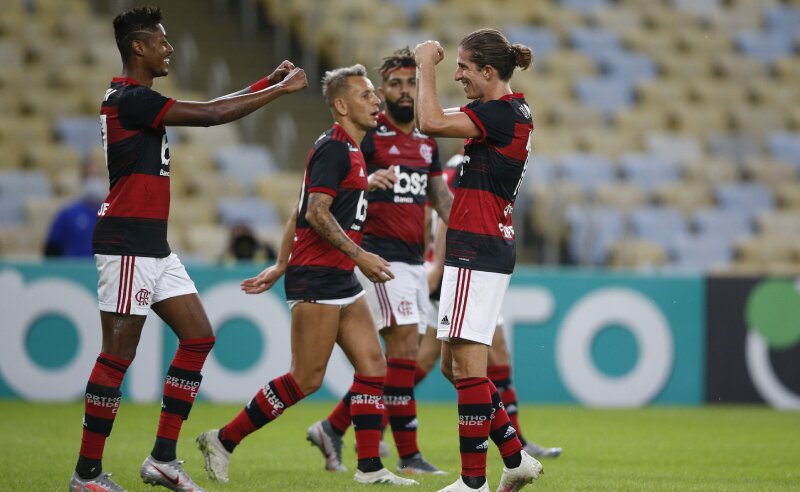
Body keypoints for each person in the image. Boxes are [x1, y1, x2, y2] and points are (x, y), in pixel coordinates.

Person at [68, 6, 307, 492]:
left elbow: (214, 104)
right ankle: (87, 475)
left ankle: (162, 459)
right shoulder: (128, 98)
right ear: (139, 47)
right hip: (127, 243)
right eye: (161, 41)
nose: (169, 47)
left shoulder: (140, 99)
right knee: (117, 356)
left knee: (198, 337)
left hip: (153, 246)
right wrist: (280, 91)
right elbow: (213, 115)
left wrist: (266, 80)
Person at [195, 64, 418, 487]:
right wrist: (361, 255)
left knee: (373, 366)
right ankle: (223, 439)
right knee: (306, 378)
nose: (376, 101)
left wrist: (281, 262)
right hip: (317, 277)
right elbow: (314, 213)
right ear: (341, 105)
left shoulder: (351, 151)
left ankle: (369, 467)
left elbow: (304, 208)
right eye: (366, 94)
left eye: (375, 94)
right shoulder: (334, 147)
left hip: (339, 277)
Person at [306, 47, 452, 476]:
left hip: (411, 259)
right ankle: (407, 455)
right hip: (376, 256)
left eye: (412, 83)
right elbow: (336, 189)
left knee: (401, 359)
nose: (404, 91)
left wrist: (463, 226)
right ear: (382, 89)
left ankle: (333, 427)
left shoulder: (427, 139)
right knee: (403, 349)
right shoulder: (367, 132)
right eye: (395, 84)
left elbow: (438, 195)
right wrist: (368, 184)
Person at [414, 29, 542, 491]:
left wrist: (424, 64)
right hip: (481, 245)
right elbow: (431, 119)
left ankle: (473, 484)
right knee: (453, 367)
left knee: (467, 370)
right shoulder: (505, 113)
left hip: (478, 247)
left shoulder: (500, 114)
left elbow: (428, 121)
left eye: (464, 67)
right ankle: (515, 457)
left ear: (489, 72)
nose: (457, 74)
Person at [418, 154, 562, 461]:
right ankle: (361, 421)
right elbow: (449, 216)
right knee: (435, 365)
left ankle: (515, 444)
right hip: (460, 269)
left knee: (479, 358)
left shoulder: (460, 165)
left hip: (469, 268)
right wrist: (436, 266)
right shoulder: (467, 165)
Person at [43, 158, 106, 258]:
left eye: (98, 175)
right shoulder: (67, 214)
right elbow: (51, 249)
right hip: (72, 271)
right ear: (82, 180)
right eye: (90, 175)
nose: (94, 180)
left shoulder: (112, 215)